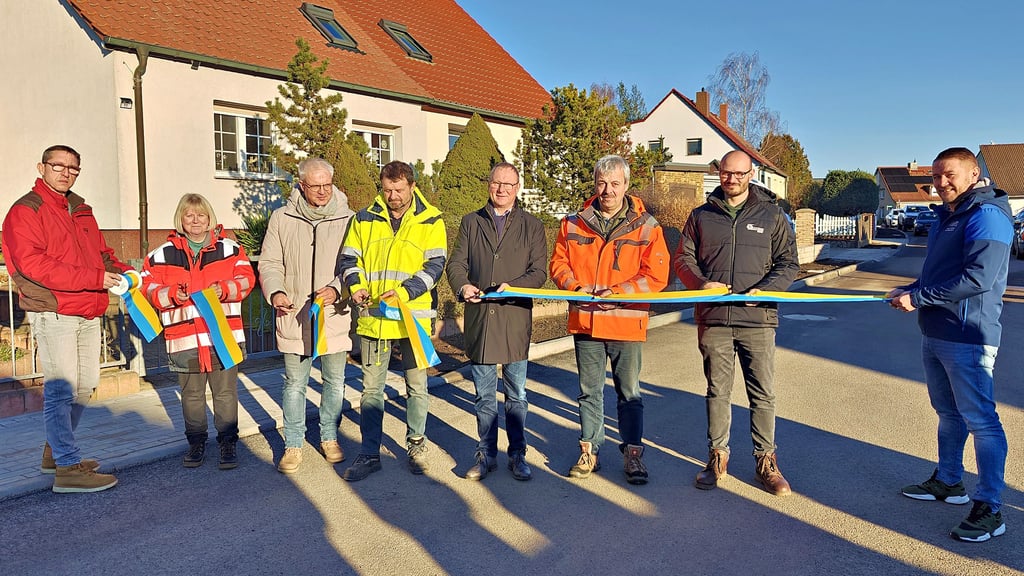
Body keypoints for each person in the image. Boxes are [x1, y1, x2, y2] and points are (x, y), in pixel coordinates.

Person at [889, 147, 1011, 543]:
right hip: (937, 332)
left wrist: (919, 298)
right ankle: (949, 481)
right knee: (948, 413)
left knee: (982, 422)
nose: (941, 183)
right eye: (936, 177)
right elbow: (942, 273)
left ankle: (991, 507)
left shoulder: (987, 216)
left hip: (969, 337)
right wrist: (911, 288)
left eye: (950, 175)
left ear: (974, 174)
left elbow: (979, 279)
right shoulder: (950, 215)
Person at [1, 145, 129, 493]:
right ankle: (68, 468)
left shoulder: (80, 208)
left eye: (73, 168)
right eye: (58, 166)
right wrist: (95, 279)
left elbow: (101, 254)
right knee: (61, 390)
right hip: (53, 308)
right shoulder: (26, 210)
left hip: (88, 308)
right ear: (41, 167)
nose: (66, 172)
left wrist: (123, 272)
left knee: (86, 384)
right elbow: (34, 265)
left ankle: (56, 451)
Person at [673, 150, 798, 496]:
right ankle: (717, 457)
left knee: (762, 393)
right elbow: (683, 259)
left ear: (751, 173)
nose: (732, 180)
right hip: (713, 320)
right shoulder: (701, 216)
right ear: (719, 173)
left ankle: (766, 461)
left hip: (757, 319)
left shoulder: (772, 215)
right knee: (718, 391)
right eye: (726, 173)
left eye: (740, 174)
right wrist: (700, 285)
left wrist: (766, 290)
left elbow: (789, 264)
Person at [549, 155, 670, 485]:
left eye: (615, 183)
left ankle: (633, 454)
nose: (608, 190)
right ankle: (589, 450)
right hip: (586, 322)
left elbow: (656, 275)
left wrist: (618, 293)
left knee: (629, 392)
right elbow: (559, 265)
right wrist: (575, 287)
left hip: (626, 323)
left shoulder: (647, 226)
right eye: (602, 183)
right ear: (595, 183)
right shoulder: (573, 223)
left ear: (627, 185)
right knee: (589, 392)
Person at [338, 161, 447, 482]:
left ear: (412, 186)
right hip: (375, 318)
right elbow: (348, 258)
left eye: (399, 190)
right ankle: (370, 453)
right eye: (387, 190)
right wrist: (356, 287)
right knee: (371, 391)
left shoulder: (431, 219)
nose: (393, 196)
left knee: (417, 386)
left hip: (413, 318)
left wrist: (401, 292)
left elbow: (435, 267)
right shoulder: (364, 218)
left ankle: (416, 445)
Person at [447, 162, 547, 481]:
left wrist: (513, 287)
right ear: (488, 185)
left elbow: (539, 272)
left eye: (508, 184)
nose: (502, 189)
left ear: (517, 188)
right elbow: (457, 264)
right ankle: (486, 453)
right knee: (484, 395)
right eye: (496, 183)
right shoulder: (471, 222)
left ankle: (517, 454)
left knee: (516, 395)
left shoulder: (532, 225)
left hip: (514, 319)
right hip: (481, 322)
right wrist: (462, 286)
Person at [141, 194, 255, 470]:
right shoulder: (160, 255)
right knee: (191, 396)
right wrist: (171, 294)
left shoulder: (230, 250)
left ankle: (228, 444)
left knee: (225, 393)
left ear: (209, 219)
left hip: (222, 339)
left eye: (201, 215)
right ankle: (196, 443)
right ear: (180, 219)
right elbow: (147, 287)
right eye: (189, 215)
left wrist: (224, 289)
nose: (195, 221)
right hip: (184, 339)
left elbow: (247, 279)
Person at [260, 157, 355, 474]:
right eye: (316, 186)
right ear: (301, 185)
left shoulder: (349, 219)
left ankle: (329, 437)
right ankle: (294, 444)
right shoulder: (281, 218)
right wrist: (276, 292)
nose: (324, 191)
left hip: (333, 314)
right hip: (294, 315)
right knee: (294, 385)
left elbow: (356, 265)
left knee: (335, 383)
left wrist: (337, 289)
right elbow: (270, 263)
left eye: (328, 184)